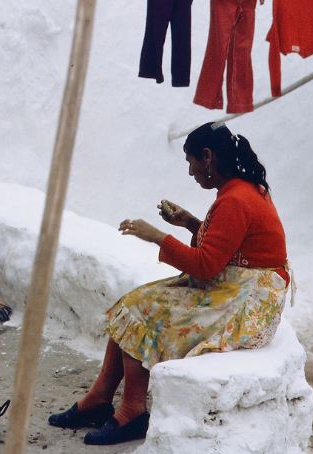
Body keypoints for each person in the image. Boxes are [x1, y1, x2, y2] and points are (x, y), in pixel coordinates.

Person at [49, 122, 290, 446]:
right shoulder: (240, 190)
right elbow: (226, 242)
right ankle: (99, 398)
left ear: (207, 157)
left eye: (190, 161)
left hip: (247, 304)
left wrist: (157, 236)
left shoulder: (236, 198)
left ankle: (132, 411)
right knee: (133, 301)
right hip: (239, 288)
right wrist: (189, 222)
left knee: (142, 309)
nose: (190, 172)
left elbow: (205, 265)